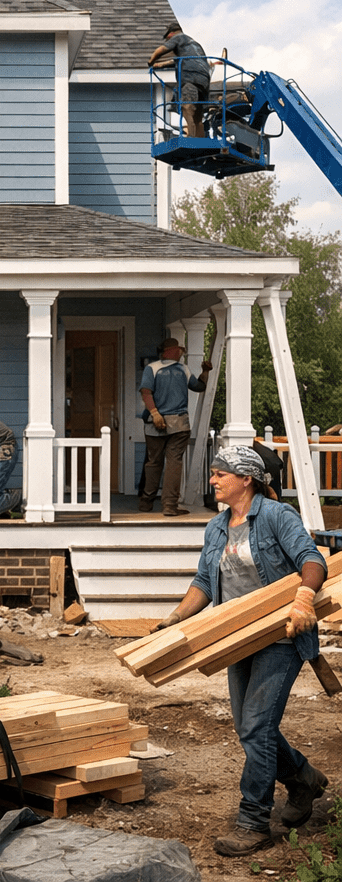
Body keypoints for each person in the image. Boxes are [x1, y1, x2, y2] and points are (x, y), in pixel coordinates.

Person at [152, 446, 328, 857]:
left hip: (281, 638)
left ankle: (253, 822)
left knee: (255, 728)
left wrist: (303, 598)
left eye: (219, 474)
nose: (212, 481)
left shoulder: (275, 516)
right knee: (251, 728)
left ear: (245, 479)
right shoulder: (216, 526)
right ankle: (303, 778)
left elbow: (312, 559)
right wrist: (175, 619)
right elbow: (203, 581)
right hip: (236, 640)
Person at [139, 337, 212, 516]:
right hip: (179, 423)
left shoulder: (152, 369)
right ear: (171, 351)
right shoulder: (182, 369)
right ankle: (170, 506)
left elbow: (146, 392)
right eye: (180, 349)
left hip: (154, 424)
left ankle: (146, 504)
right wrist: (205, 372)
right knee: (174, 463)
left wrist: (155, 413)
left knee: (153, 463)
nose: (182, 353)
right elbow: (199, 386)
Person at [148, 21, 211, 138]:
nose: (167, 41)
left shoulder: (178, 38)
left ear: (171, 34)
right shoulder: (194, 45)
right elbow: (180, 61)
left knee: (186, 106)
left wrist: (151, 61)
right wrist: (161, 65)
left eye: (167, 38)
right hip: (204, 79)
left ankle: (191, 137)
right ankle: (199, 138)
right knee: (198, 112)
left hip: (190, 77)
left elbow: (161, 50)